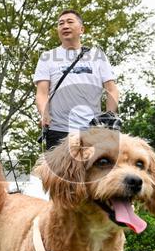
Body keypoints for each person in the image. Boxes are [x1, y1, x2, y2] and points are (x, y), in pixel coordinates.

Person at [34, 9, 118, 150]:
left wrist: (109, 117)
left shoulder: (98, 56)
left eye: (70, 22)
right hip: (58, 130)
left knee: (92, 171)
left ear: (82, 29)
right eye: (61, 23)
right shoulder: (47, 57)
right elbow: (42, 93)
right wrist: (44, 114)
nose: (65, 26)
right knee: (58, 172)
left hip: (92, 131)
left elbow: (111, 89)